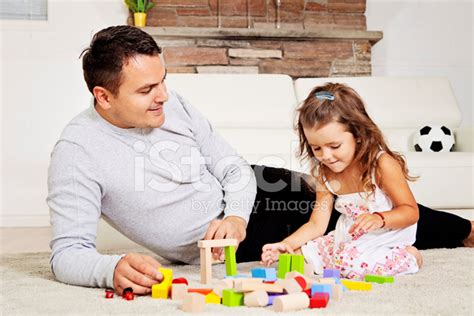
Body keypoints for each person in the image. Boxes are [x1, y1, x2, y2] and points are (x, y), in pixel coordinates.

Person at [47, 25, 474, 295]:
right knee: (342, 228)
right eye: (146, 91)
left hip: (252, 191)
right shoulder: (77, 154)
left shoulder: (171, 102)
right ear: (103, 96)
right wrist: (110, 269)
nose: (162, 96)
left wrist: (235, 214)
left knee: (368, 203)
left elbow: (232, 166)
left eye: (163, 81)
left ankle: (468, 231)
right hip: (220, 247)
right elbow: (67, 253)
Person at [261, 83, 428, 278]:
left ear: (358, 135)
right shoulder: (324, 172)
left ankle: (409, 257)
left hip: (384, 236)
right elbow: (317, 224)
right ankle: (342, 257)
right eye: (317, 148)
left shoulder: (381, 164)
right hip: (349, 236)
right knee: (293, 260)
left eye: (335, 146)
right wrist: (287, 244)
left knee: (349, 264)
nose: (326, 156)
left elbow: (410, 212)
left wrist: (379, 219)